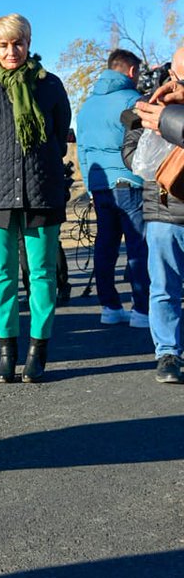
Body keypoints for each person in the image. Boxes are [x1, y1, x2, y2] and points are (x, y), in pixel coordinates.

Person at [0, 13, 71, 383]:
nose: (12, 51)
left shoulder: (50, 85)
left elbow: (57, 136)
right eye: (4, 45)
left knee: (42, 275)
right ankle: (6, 352)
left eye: (18, 43)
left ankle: (38, 352)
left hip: (42, 193)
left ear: (29, 41)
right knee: (2, 275)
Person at [76, 48, 149, 328]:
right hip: (130, 182)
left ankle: (109, 306)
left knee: (105, 246)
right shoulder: (133, 101)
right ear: (131, 71)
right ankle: (142, 309)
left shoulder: (86, 106)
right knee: (137, 246)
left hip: (100, 185)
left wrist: (91, 186)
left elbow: (82, 150)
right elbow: (142, 145)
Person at [126, 45, 184, 383]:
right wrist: (157, 137)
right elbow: (131, 148)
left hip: (163, 205)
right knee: (164, 286)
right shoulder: (152, 100)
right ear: (171, 71)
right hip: (165, 206)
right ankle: (167, 353)